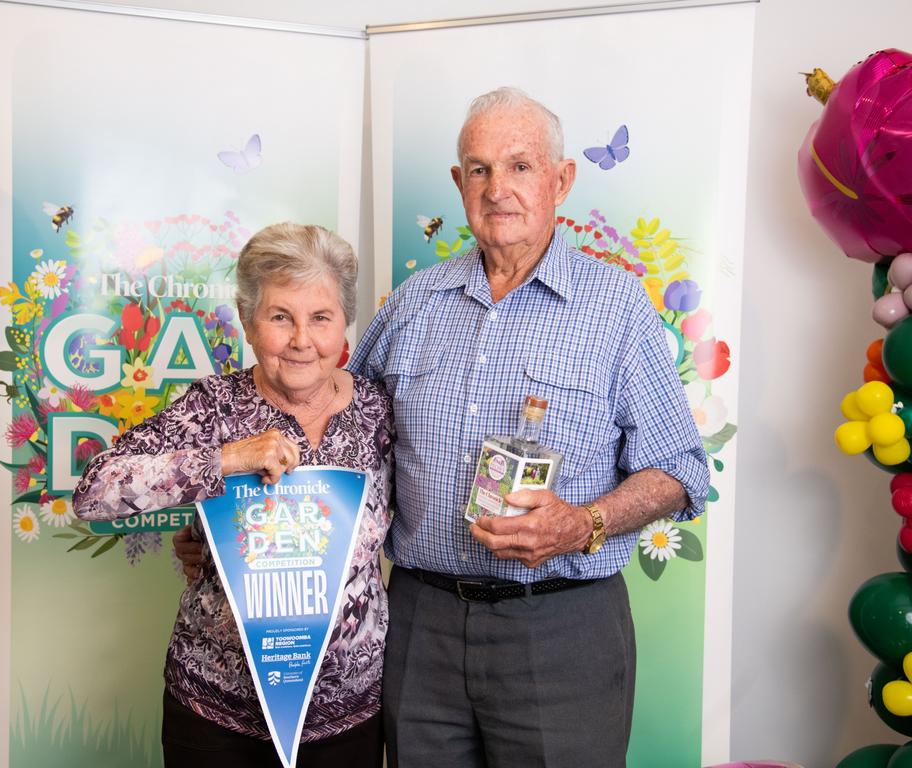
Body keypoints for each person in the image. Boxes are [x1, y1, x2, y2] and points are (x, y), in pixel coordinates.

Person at [178, 87, 709, 767]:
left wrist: (582, 524)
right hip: (420, 627)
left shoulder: (616, 308)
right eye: (480, 170)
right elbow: (326, 429)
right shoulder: (412, 304)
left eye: (521, 166)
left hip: (563, 624)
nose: (499, 189)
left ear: (562, 178)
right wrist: (223, 530)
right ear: (460, 184)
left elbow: (681, 473)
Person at [73, 222, 394, 768]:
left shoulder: (378, 410)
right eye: (279, 317)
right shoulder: (213, 407)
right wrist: (226, 461)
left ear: (344, 325)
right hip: (218, 716)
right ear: (247, 323)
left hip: (348, 717)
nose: (301, 340)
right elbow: (93, 492)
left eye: (321, 318)